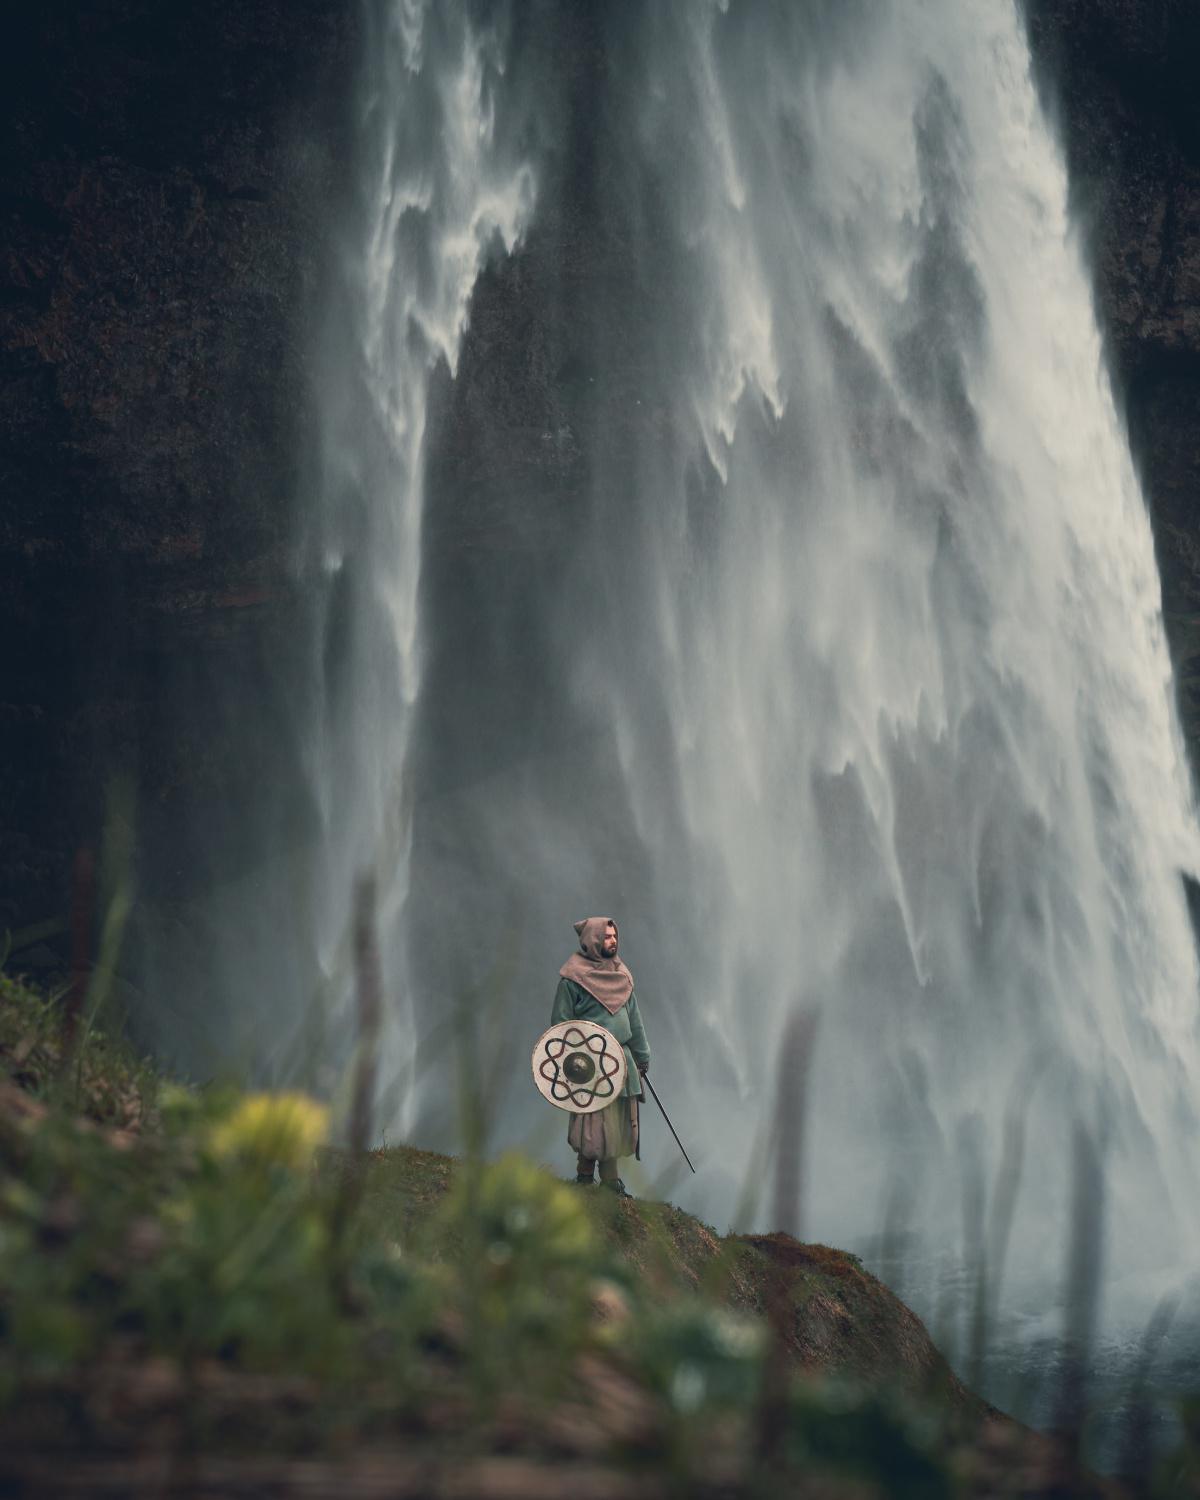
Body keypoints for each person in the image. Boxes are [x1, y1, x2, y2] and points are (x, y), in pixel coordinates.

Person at [551, 916, 650, 1196]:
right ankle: (588, 1177)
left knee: (616, 1122)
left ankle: (608, 1181)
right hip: (590, 1065)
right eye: (606, 936)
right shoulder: (572, 979)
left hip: (623, 1062)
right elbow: (561, 1023)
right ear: (592, 939)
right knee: (593, 1123)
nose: (613, 940)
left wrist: (642, 1056)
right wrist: (574, 1059)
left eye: (614, 935)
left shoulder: (622, 975)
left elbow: (635, 1022)